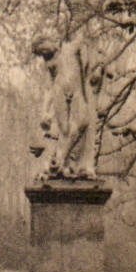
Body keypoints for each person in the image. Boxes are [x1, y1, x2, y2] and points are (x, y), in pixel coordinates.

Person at [30, 34, 103, 180]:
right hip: (60, 93)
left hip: (76, 91)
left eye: (43, 49)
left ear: (48, 40)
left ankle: (60, 159)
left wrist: (98, 66)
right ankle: (62, 164)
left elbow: (85, 41)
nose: (44, 54)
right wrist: (45, 110)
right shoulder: (50, 62)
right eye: (41, 53)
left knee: (83, 121)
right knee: (63, 129)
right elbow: (49, 86)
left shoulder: (69, 48)